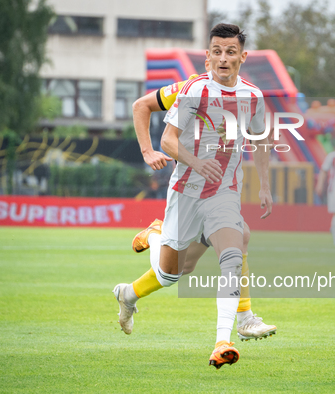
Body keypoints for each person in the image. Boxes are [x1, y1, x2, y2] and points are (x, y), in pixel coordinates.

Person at [113, 23, 273, 369]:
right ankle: (151, 246)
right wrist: (148, 151)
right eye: (217, 51)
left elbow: (260, 138)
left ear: (242, 57)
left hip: (225, 191)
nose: (223, 58)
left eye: (231, 52)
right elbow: (144, 109)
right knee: (173, 272)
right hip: (186, 190)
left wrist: (264, 184)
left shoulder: (252, 96)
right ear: (207, 57)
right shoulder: (189, 90)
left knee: (236, 243)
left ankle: (227, 336)